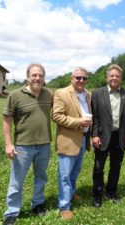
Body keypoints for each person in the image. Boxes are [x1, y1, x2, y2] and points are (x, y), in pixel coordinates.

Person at [2, 63, 53, 225]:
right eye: (34, 75)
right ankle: (12, 212)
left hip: (44, 144)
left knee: (41, 177)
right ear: (28, 77)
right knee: (17, 180)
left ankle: (37, 204)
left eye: (40, 76)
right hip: (23, 146)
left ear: (44, 78)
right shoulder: (16, 95)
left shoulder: (49, 95)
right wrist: (8, 144)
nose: (37, 78)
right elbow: (7, 120)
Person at [91, 64, 125, 208]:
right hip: (102, 137)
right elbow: (95, 116)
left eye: (117, 76)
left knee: (116, 166)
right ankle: (97, 194)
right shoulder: (97, 93)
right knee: (99, 167)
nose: (114, 78)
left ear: (121, 78)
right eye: (112, 76)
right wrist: (94, 134)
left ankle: (111, 191)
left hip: (120, 136)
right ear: (107, 77)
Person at [52, 67, 92, 220]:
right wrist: (78, 122)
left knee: (74, 171)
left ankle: (71, 193)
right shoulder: (61, 93)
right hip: (68, 139)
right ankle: (64, 205)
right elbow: (56, 115)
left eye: (84, 78)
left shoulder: (88, 94)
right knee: (65, 174)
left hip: (83, 138)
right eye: (78, 78)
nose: (81, 81)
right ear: (71, 78)